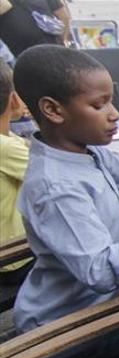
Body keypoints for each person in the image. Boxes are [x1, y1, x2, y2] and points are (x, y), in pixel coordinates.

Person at [11, 45, 119, 335]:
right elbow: (102, 271)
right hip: (69, 323)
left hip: (108, 298)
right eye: (99, 105)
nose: (115, 113)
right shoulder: (55, 187)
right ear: (53, 110)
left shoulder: (85, 151)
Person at [0, 61, 32, 286]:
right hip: (15, 257)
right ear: (13, 99)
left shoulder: (8, 141)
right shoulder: (5, 148)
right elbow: (57, 173)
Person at [0, 0, 70, 57]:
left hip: (29, 53)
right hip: (27, 54)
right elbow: (63, 15)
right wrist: (63, 39)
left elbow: (63, 15)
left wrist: (63, 39)